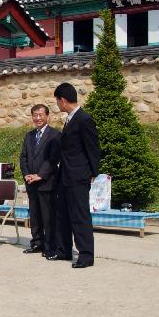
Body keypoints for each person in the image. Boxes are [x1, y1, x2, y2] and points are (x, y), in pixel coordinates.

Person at [50, 83, 101, 269]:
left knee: (80, 216)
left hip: (78, 176)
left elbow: (93, 148)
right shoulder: (69, 119)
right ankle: (63, 250)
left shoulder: (84, 119)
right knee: (62, 214)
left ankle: (86, 255)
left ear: (62, 100)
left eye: (57, 101)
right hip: (65, 175)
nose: (57, 104)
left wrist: (92, 172)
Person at [19, 104, 62, 256]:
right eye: (35, 115)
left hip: (47, 183)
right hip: (31, 183)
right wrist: (26, 174)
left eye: (40, 115)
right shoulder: (29, 136)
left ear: (47, 116)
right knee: (35, 216)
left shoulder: (55, 135)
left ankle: (50, 246)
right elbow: (23, 157)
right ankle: (37, 243)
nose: (38, 118)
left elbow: (53, 158)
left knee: (48, 216)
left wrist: (41, 175)